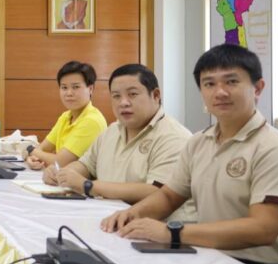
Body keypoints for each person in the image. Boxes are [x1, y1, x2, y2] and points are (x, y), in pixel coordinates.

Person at [101, 44, 278, 264]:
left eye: (231, 82)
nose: (220, 92)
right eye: (209, 84)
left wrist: (172, 233)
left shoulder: (275, 148)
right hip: (210, 255)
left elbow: (262, 229)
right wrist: (134, 214)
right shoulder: (199, 142)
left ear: (257, 88)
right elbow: (169, 196)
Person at [43, 64, 195, 220]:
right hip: (108, 219)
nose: (123, 102)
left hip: (159, 228)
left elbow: (158, 192)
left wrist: (89, 186)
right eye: (116, 96)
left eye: (132, 94)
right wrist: (62, 173)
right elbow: (86, 165)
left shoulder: (174, 137)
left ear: (155, 95)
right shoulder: (111, 131)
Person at [26, 61, 107, 170]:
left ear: (90, 89)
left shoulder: (92, 121)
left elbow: (60, 162)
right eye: (64, 87)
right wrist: (32, 158)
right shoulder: (66, 116)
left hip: (85, 180)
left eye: (76, 87)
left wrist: (31, 151)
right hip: (62, 177)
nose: (69, 93)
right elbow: (43, 149)